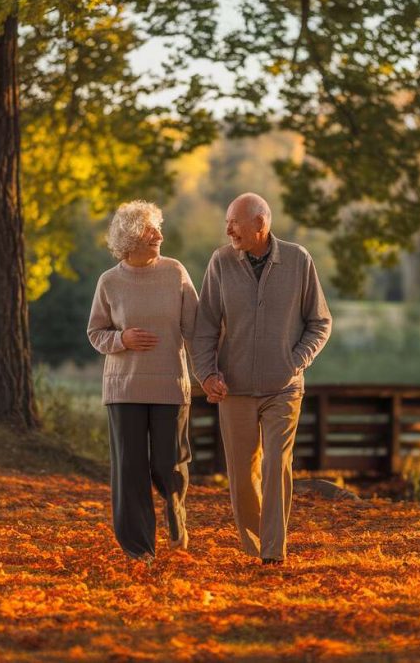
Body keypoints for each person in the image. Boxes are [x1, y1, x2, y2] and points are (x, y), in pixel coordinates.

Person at [192, 192, 332, 564]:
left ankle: (273, 553)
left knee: (275, 465)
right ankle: (256, 548)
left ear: (260, 223)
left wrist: (296, 361)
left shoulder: (298, 260)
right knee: (241, 475)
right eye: (227, 222)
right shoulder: (220, 262)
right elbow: (204, 325)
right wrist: (206, 374)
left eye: (234, 222)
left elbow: (320, 321)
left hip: (283, 387)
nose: (228, 230)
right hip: (234, 387)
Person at [87, 200, 197, 563]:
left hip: (169, 383)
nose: (160, 236)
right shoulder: (110, 281)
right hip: (124, 388)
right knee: (129, 470)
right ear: (132, 237)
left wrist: (210, 372)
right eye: (152, 231)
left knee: (170, 463)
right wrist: (122, 340)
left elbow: (197, 328)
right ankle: (139, 549)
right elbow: (96, 332)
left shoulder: (175, 272)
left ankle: (175, 510)